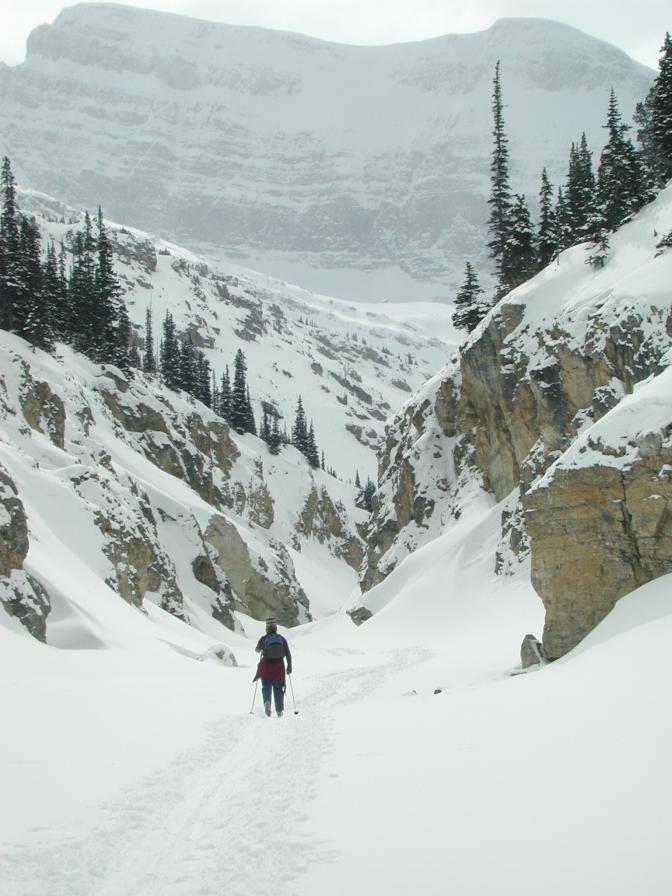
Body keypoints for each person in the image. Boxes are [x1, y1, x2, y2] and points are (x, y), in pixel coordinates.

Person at [254, 618, 293, 717]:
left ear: (267, 628)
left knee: (266, 685)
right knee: (278, 688)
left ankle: (267, 702)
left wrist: (261, 648)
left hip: (267, 666)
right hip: (279, 667)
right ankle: (279, 711)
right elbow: (288, 653)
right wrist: (289, 666)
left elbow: (257, 650)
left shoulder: (264, 639)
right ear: (276, 628)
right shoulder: (281, 639)